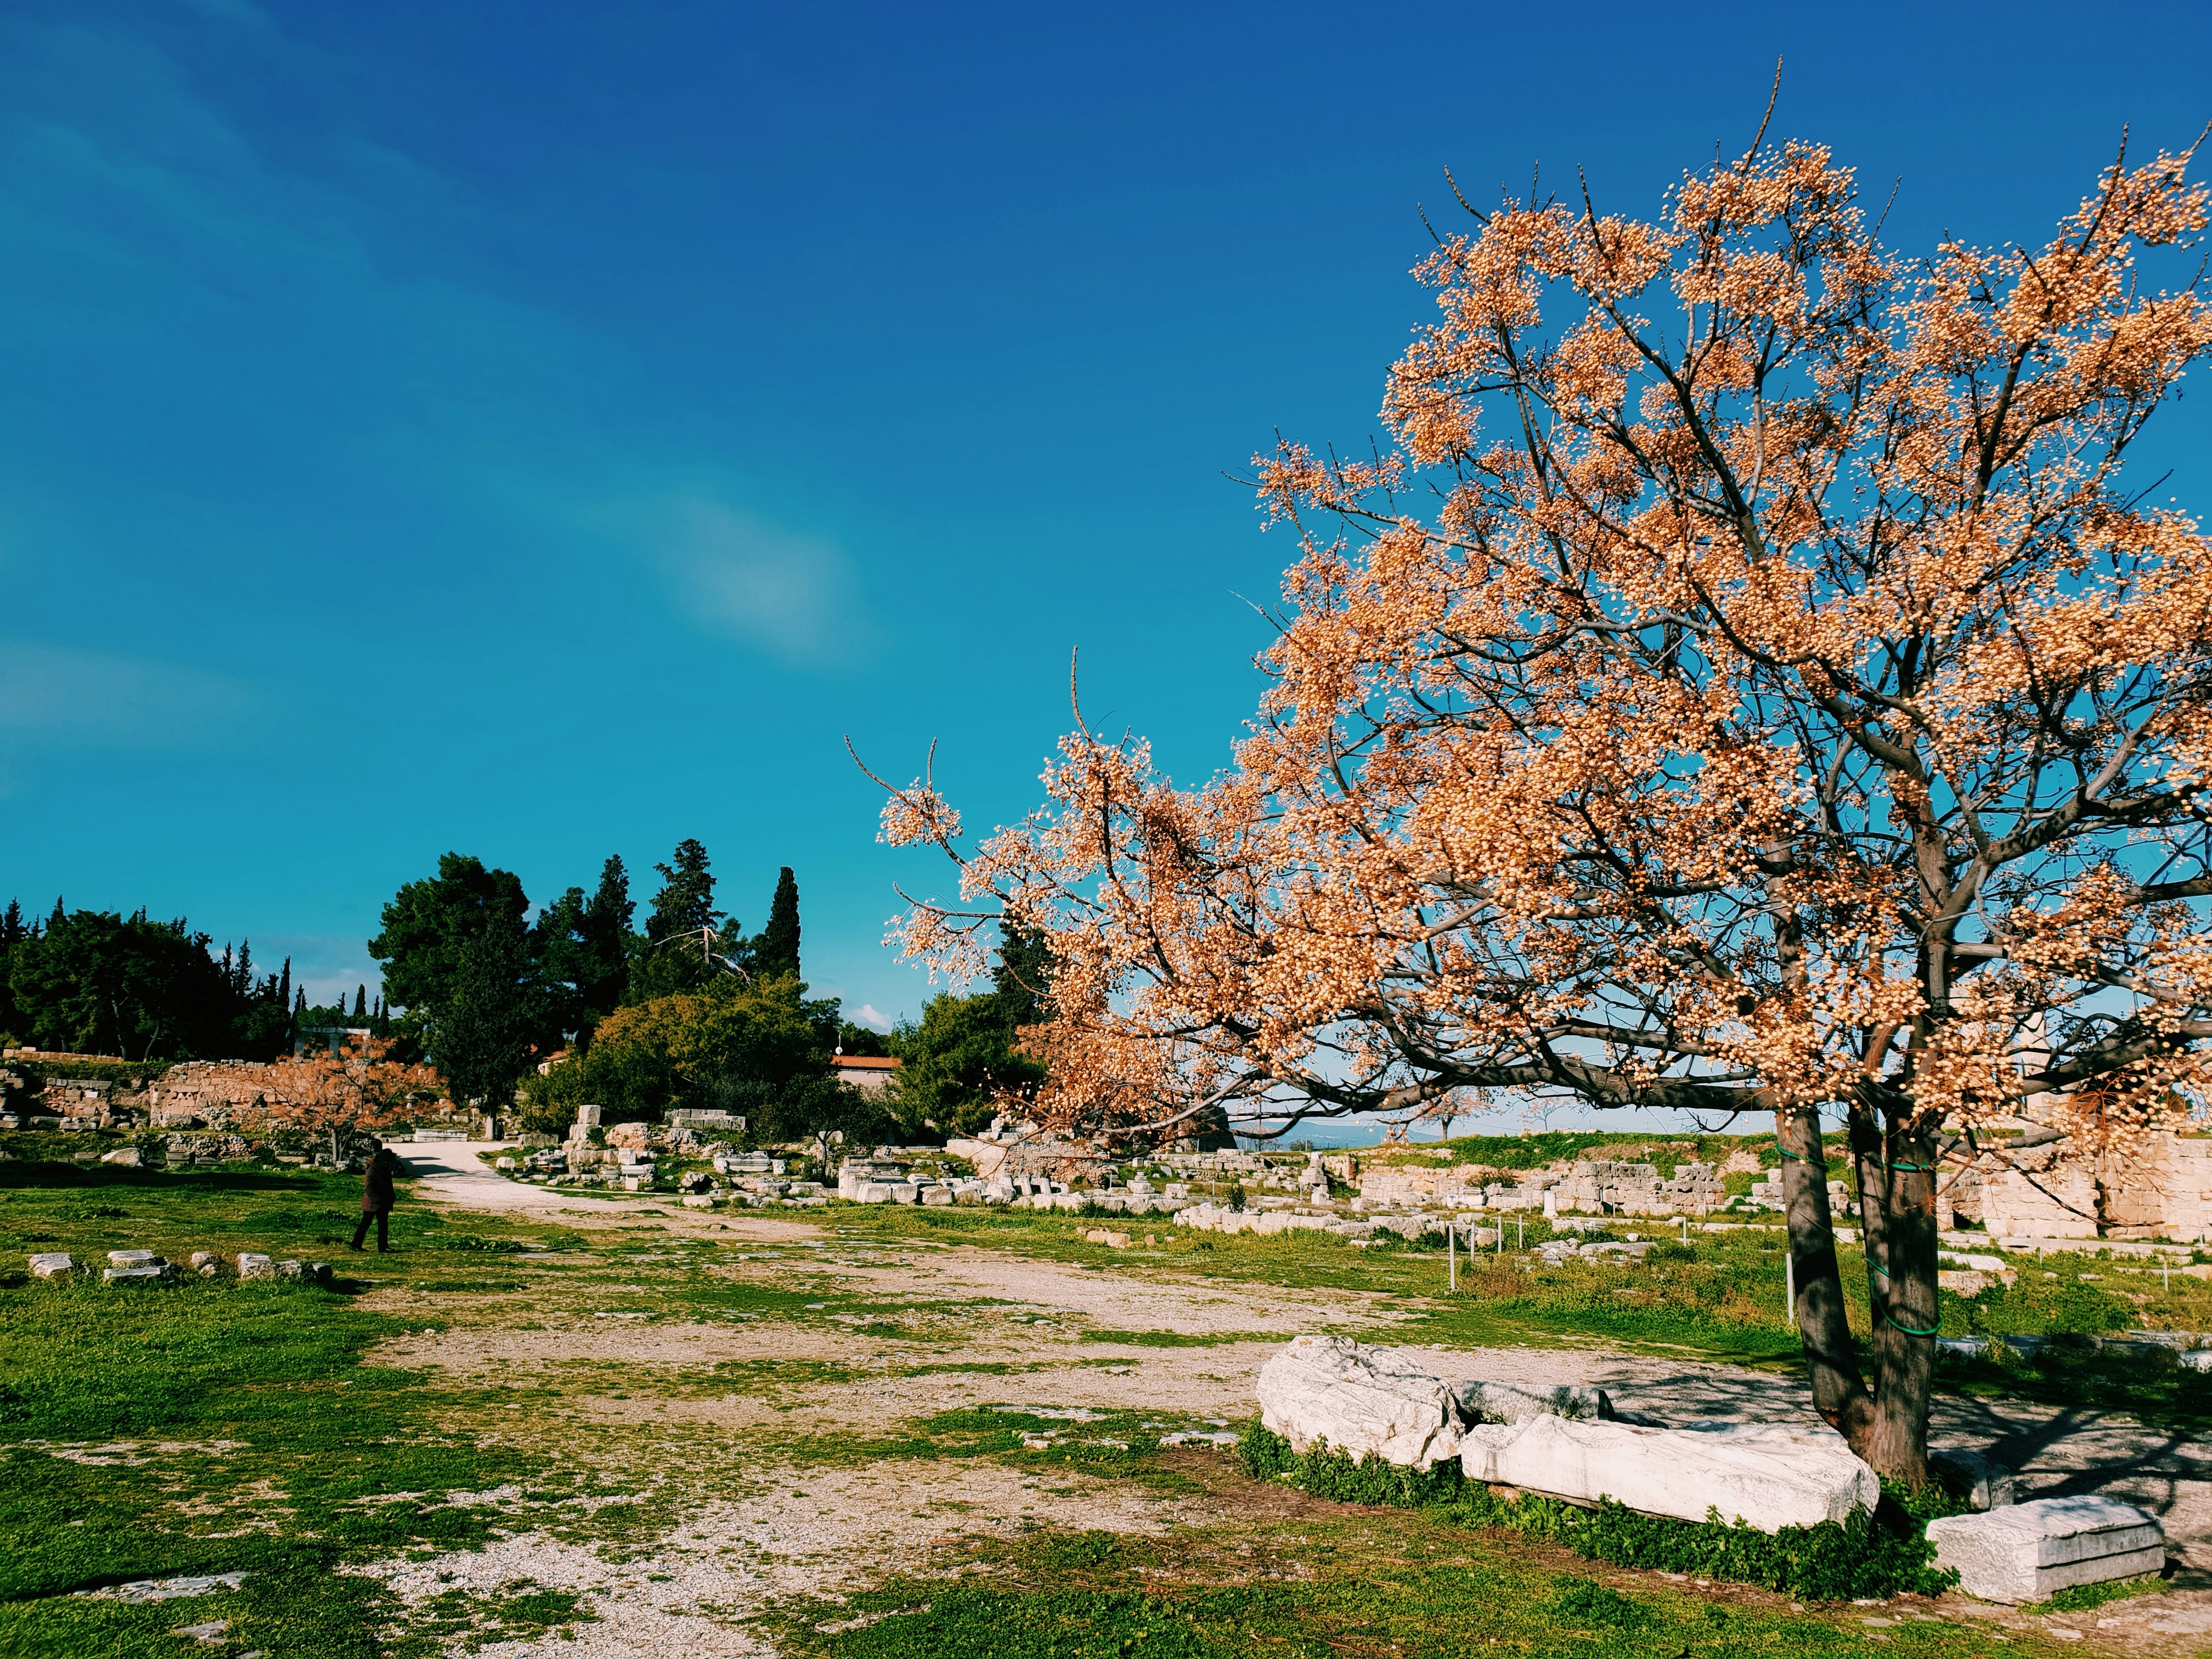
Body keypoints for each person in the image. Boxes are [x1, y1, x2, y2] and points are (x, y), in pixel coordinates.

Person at [350, 1139, 403, 1252]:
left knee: (383, 1225)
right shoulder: (372, 1170)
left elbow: (388, 1185)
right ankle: (356, 1244)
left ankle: (383, 1247)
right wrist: (378, 1199)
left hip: (383, 1202)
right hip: (372, 1203)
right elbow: (369, 1187)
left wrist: (390, 1198)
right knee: (365, 1224)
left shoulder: (385, 1169)